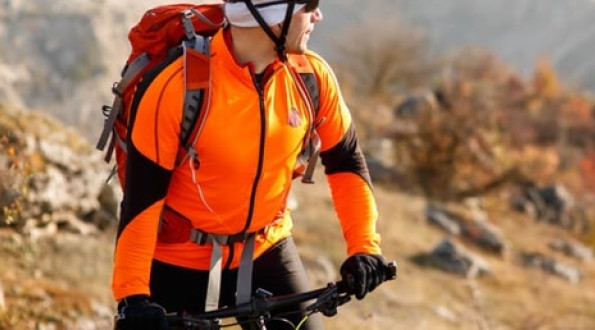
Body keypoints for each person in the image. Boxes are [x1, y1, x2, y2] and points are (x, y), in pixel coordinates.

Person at [111, 1, 389, 329]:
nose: (318, 15)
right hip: (179, 259)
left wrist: (364, 247)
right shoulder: (177, 87)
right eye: (308, 5)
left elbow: (346, 162)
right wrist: (132, 298)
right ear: (270, 17)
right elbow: (142, 202)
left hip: (266, 248)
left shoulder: (310, 76)